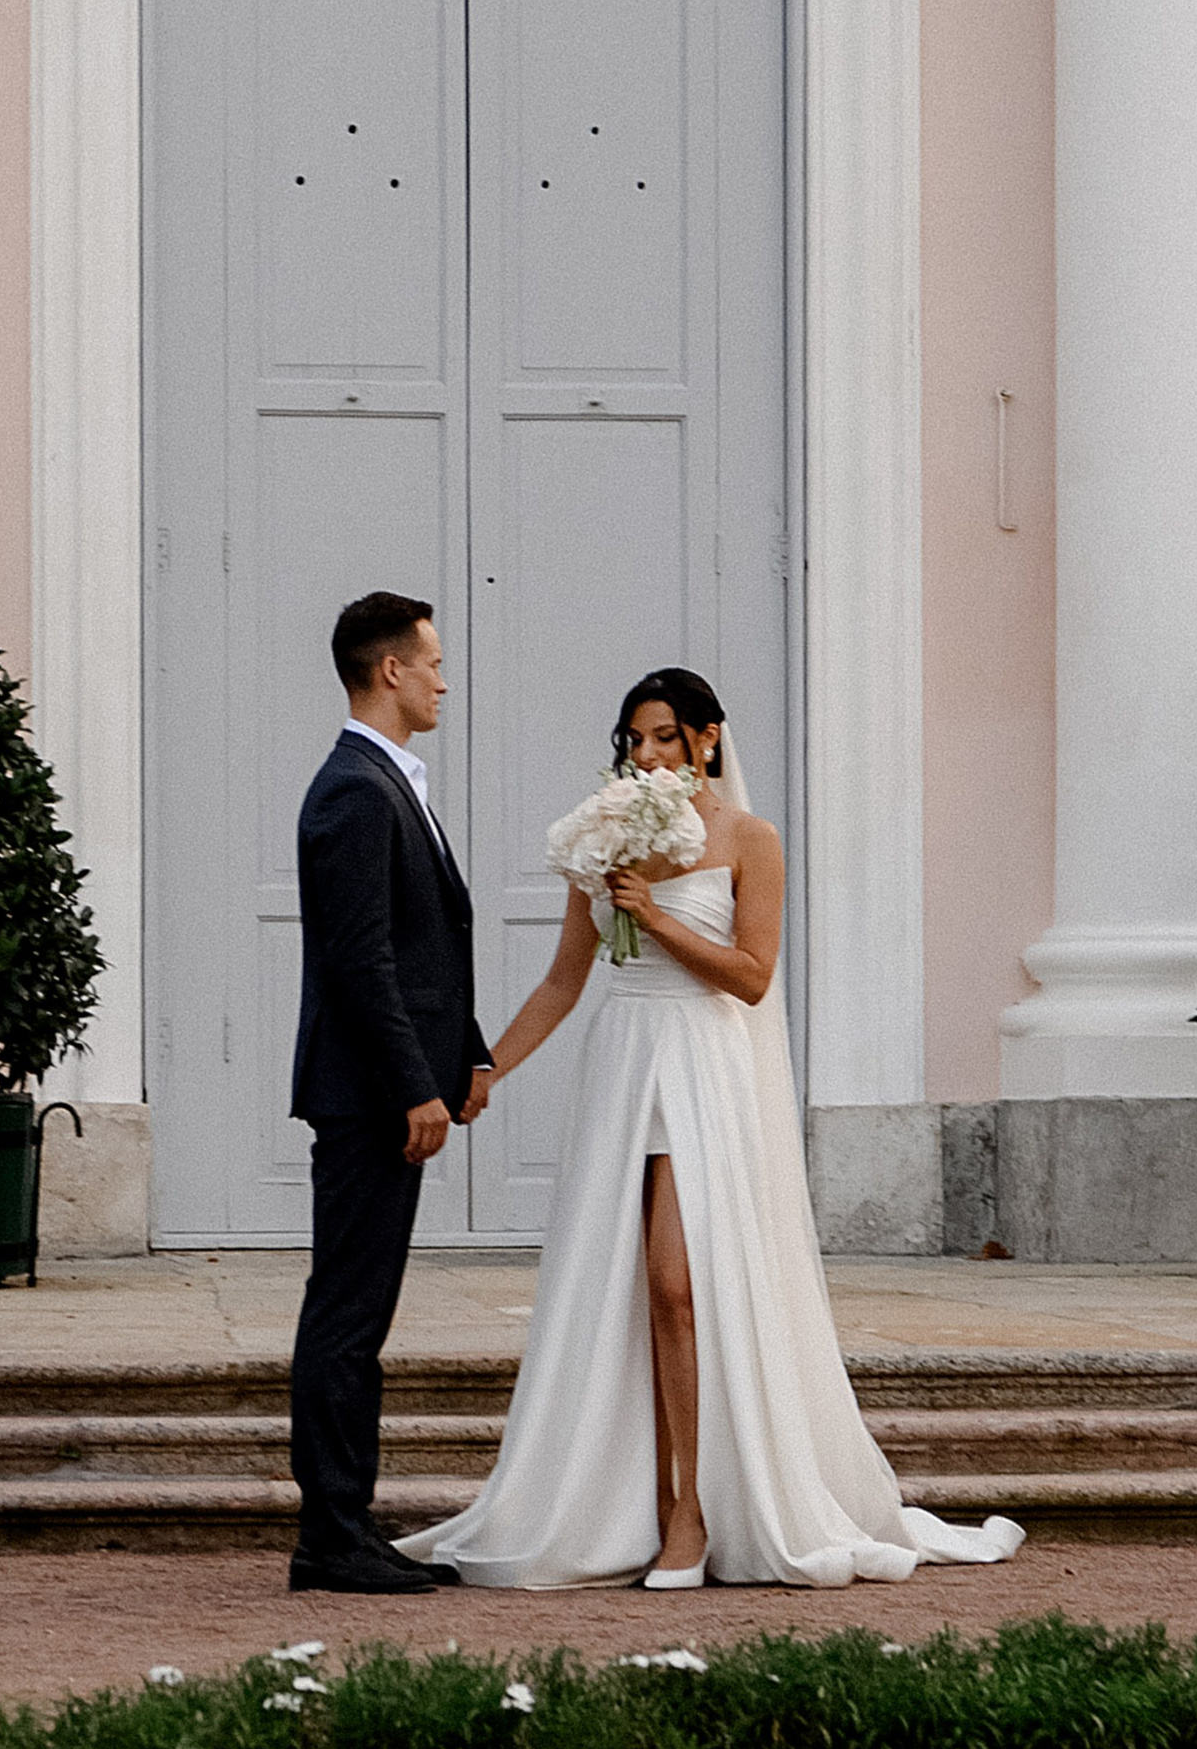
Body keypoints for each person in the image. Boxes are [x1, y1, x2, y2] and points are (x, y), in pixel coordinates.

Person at [398, 668, 1024, 1591]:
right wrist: (484, 1069)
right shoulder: (608, 837)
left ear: (707, 739)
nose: (646, 755)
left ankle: (695, 1510)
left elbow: (751, 976)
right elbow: (566, 980)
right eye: (634, 740)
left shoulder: (749, 839)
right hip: (625, 1063)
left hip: (705, 1066)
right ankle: (648, 1506)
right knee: (631, 1291)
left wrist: (654, 916)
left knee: (677, 1283)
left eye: (663, 737)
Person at [286, 590, 494, 1593]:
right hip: (366, 1095)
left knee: (361, 1311)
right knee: (346, 1312)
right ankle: (330, 1536)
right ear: (388, 671)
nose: (443, 679)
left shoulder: (386, 781)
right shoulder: (357, 791)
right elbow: (361, 961)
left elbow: (422, 948)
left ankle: (350, 1521)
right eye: (432, 662)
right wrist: (416, 1085)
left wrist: (473, 1054)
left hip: (392, 1083)